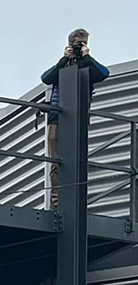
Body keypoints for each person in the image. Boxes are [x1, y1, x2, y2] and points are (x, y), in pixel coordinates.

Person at [42, 29, 110, 206]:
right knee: (56, 162)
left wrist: (87, 57)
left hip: (78, 119)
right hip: (56, 118)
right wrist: (64, 58)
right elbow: (46, 78)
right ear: (70, 43)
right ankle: (56, 202)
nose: (81, 46)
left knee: (77, 160)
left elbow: (104, 74)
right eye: (78, 43)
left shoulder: (88, 65)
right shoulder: (63, 64)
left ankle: (77, 202)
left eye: (84, 43)